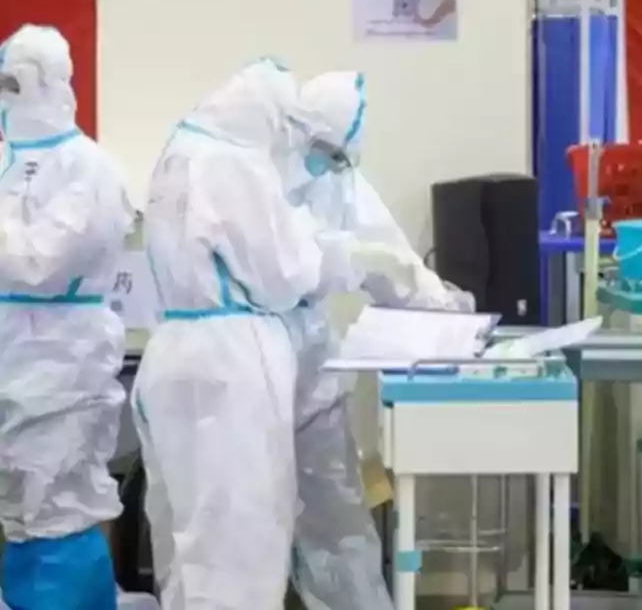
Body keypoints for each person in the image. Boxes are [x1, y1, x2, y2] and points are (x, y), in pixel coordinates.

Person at [130, 59, 415, 610]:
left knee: (189, 546)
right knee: (241, 545)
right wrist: (354, 260)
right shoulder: (235, 163)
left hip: (177, 358)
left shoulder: (184, 151)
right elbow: (286, 272)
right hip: (232, 368)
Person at [285, 70, 468, 609]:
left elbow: (388, 258)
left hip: (310, 369)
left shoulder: (339, 178)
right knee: (243, 531)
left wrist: (444, 305)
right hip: (249, 369)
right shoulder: (255, 176)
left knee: (335, 521)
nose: (328, 160)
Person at [0, 24, 134, 610]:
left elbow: (39, 263)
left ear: (54, 82)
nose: (8, 95)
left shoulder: (90, 168)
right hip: (12, 358)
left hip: (63, 360)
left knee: (59, 506)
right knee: (18, 511)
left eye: (19, 82)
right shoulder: (5, 162)